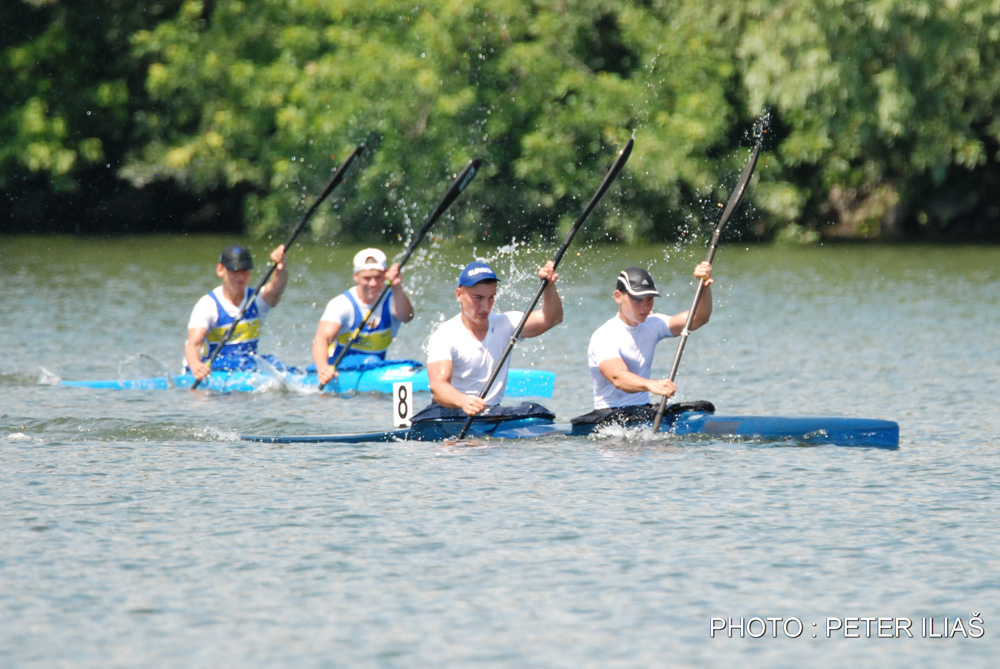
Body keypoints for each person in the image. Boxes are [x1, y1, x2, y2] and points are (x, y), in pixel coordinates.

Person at [423, 259, 563, 418]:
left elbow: (552, 319)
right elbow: (438, 386)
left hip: (490, 413)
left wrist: (549, 287)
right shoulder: (445, 335)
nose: (485, 307)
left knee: (538, 413)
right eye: (478, 298)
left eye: (491, 297)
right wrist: (463, 401)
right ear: (459, 295)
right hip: (451, 414)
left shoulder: (506, 323)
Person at [582, 261, 713, 422]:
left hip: (642, 409)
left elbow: (698, 318)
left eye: (649, 299)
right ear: (618, 296)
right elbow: (618, 378)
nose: (645, 307)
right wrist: (651, 385)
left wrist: (703, 287)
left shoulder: (653, 324)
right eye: (638, 300)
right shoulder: (605, 335)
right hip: (609, 416)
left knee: (702, 407)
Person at [311, 248, 415, 387]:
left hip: (374, 366)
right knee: (371, 360)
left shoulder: (393, 299)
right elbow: (322, 339)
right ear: (356, 277)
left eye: (378, 277)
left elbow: (407, 317)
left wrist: (397, 287)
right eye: (367, 278)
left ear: (385, 276)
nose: (373, 283)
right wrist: (323, 368)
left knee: (376, 361)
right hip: (339, 369)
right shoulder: (342, 304)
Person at [184, 243, 289, 381]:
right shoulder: (208, 305)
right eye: (234, 270)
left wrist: (281, 266)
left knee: (275, 364)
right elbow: (194, 344)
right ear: (220, 270)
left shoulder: (256, 300)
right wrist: (195, 365)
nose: (240, 276)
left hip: (246, 367)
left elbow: (277, 289)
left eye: (244, 270)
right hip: (213, 370)